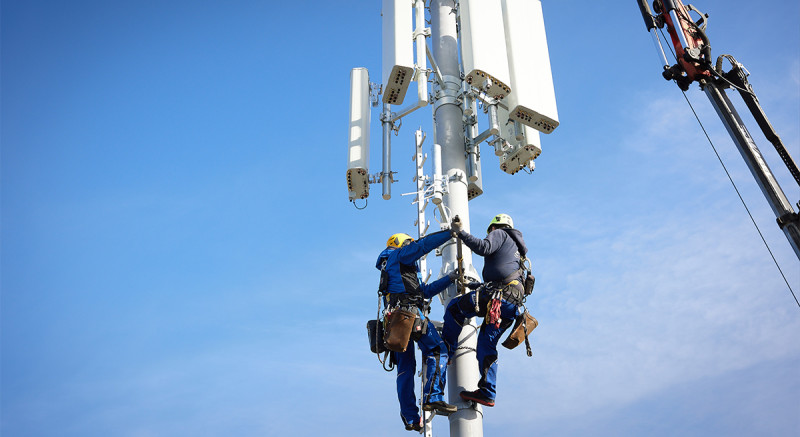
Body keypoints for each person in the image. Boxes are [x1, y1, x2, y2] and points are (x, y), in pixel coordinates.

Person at [442, 214, 528, 407]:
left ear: (493, 227)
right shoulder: (518, 251)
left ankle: (446, 350)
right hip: (510, 305)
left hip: (498, 298)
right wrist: (478, 287)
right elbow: (503, 274)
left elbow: (484, 247)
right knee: (486, 345)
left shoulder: (500, 234)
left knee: (455, 308)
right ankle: (488, 392)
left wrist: (460, 233)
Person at [376, 231, 459, 431]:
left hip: (394, 322)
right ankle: (433, 396)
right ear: (402, 244)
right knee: (438, 350)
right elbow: (422, 246)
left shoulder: (392, 266)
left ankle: (411, 418)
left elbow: (423, 292)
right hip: (410, 317)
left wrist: (449, 278)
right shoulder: (399, 255)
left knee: (405, 370)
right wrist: (449, 233)